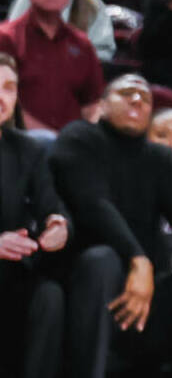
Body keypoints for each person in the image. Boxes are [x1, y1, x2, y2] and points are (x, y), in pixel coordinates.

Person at [53, 75, 172, 378]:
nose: (137, 100)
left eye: (145, 97)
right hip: (85, 290)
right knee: (102, 260)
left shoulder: (160, 157)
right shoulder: (79, 138)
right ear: (101, 105)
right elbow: (93, 204)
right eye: (126, 93)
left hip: (146, 294)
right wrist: (136, 258)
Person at [0, 51, 79, 378]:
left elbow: (52, 204)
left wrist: (59, 225)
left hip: (11, 272)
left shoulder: (27, 149)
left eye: (8, 87)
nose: (1, 97)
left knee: (49, 295)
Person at [0, 0, 105, 132]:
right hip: (20, 141)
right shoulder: (6, 38)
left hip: (71, 145)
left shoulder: (82, 44)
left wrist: (86, 140)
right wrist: (50, 139)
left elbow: (92, 105)